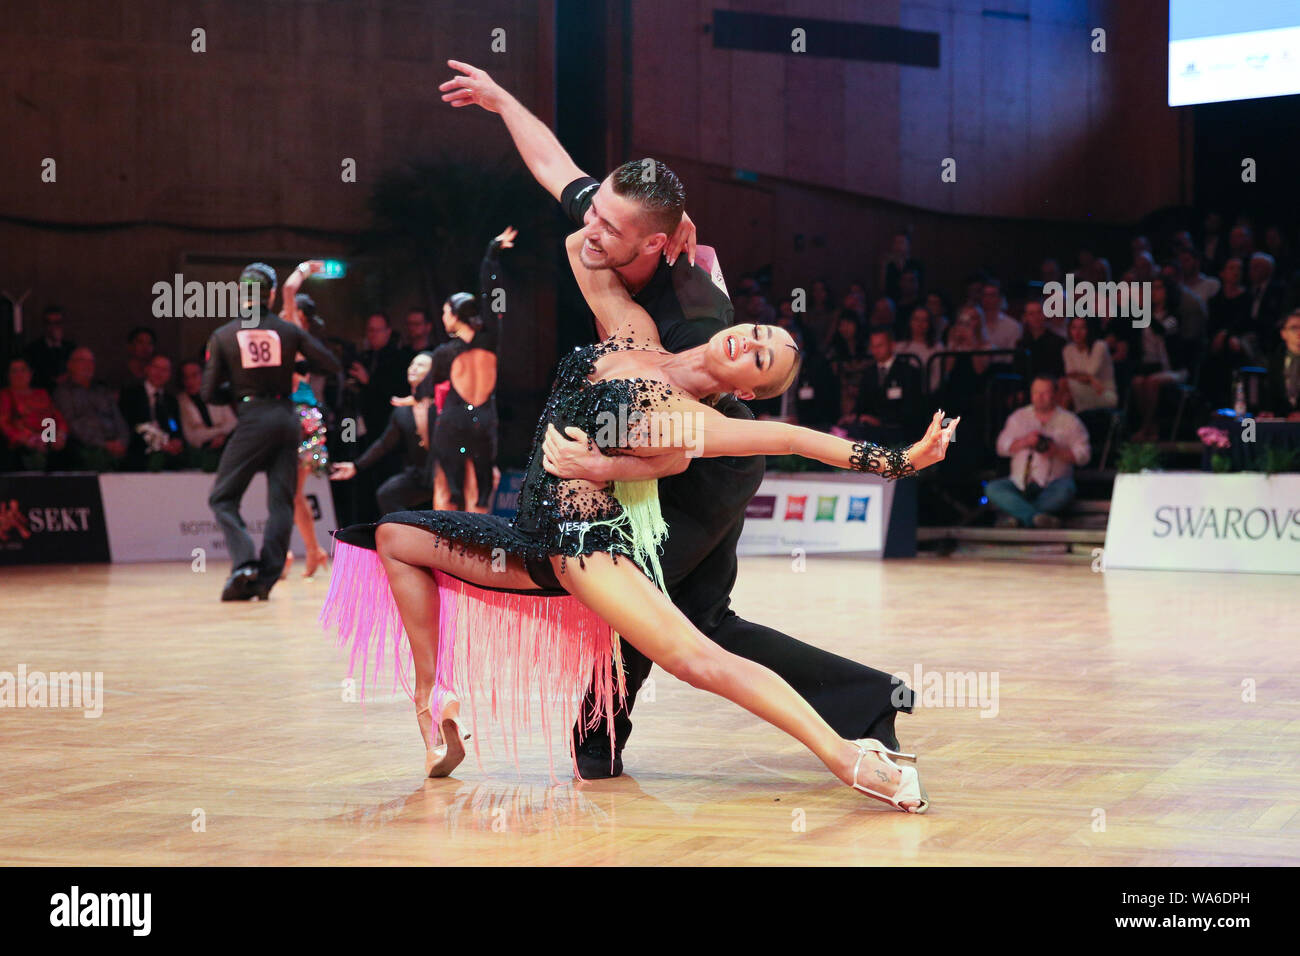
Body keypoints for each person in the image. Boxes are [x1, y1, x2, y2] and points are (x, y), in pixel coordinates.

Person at [321, 228, 961, 812]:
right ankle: (434, 707)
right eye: (761, 333)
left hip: (586, 548)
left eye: (763, 358)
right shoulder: (635, 333)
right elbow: (584, 251)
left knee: (696, 657)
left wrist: (904, 460)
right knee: (393, 536)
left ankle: (856, 761)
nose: (753, 341)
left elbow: (801, 439)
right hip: (528, 543)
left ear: (749, 388)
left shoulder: (697, 419)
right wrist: (639, 223)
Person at [439, 59, 923, 779]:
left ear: (657, 245)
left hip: (713, 456)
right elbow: (557, 169)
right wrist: (502, 99)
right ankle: (869, 699)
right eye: (593, 215)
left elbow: (676, 447)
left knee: (647, 586)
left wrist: (603, 465)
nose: (590, 228)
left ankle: (601, 733)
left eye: (608, 226)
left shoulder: (697, 312)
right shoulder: (617, 224)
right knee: (707, 618)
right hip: (663, 435)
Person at [201, 262, 340, 602]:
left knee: (222, 498)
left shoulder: (224, 335)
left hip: (252, 418)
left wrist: (236, 393)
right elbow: (330, 364)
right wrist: (298, 365)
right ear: (272, 294)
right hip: (286, 418)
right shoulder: (287, 332)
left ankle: (245, 563)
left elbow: (207, 393)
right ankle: (265, 578)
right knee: (281, 502)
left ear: (239, 293)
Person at [428, 227, 512, 513]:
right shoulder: (490, 337)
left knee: (448, 489)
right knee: (479, 492)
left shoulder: (444, 352)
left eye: (445, 312)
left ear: (455, 314)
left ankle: (443, 551)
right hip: (484, 422)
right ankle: (479, 549)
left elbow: (430, 390)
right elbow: (492, 295)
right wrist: (491, 257)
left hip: (452, 422)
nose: (442, 317)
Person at [331, 351, 438, 512]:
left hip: (445, 472)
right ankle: (407, 536)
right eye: (412, 364)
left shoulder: (442, 405)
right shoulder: (402, 412)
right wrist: (356, 466)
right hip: (420, 474)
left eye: (421, 365)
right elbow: (384, 444)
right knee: (386, 494)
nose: (413, 368)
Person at [280, 268, 333, 579]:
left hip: (296, 417)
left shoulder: (291, 331)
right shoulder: (304, 339)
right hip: (307, 418)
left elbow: (287, 290)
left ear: (297, 314)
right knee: (291, 491)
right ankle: (311, 550)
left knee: (286, 489)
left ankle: (288, 552)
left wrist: (304, 269)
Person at [987, 374, 1090, 529]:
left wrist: (1056, 451)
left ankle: (1020, 516)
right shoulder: (1018, 417)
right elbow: (1001, 447)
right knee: (993, 488)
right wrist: (1026, 441)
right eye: (1035, 392)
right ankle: (1036, 517)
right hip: (1019, 484)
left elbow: (1084, 456)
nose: (1039, 397)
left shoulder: (1070, 421)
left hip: (1054, 484)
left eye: (1045, 393)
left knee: (1066, 490)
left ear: (1055, 394)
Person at [53, 347, 129, 471]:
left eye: (91, 361)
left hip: (114, 444)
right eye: (82, 361)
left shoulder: (102, 391)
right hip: (87, 446)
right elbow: (71, 424)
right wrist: (103, 444)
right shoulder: (63, 392)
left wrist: (122, 441)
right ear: (70, 365)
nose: (88, 365)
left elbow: (119, 420)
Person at [119, 354, 185, 471]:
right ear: (147, 369)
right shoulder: (131, 394)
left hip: (167, 450)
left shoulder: (170, 400)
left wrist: (175, 439)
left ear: (169, 375)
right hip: (140, 448)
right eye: (156, 368)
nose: (159, 373)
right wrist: (159, 442)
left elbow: (173, 424)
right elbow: (135, 424)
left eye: (164, 370)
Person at [1, 357, 66, 470]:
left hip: (49, 439)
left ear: (30, 374)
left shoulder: (42, 394)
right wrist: (29, 439)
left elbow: (58, 419)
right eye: (14, 371)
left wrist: (60, 435)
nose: (19, 374)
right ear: (8, 375)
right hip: (24, 443)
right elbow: (4, 424)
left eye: (23, 370)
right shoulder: (5, 395)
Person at [177, 357, 236, 471]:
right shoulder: (181, 402)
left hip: (226, 449)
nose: (190, 381)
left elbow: (233, 423)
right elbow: (194, 437)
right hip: (199, 456)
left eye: (194, 376)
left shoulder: (216, 395)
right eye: (186, 377)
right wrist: (219, 431)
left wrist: (222, 437)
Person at [1259, 310, 1300, 421]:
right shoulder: (1274, 361)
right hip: (1282, 424)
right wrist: (1269, 412)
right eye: (1294, 328)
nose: (1299, 333)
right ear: (1283, 333)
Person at [23, 307, 76, 392]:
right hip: (45, 393)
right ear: (44, 326)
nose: (53, 327)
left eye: (57, 323)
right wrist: (53, 381)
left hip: (70, 393)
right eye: (49, 323)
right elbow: (31, 378)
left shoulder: (71, 348)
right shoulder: (33, 349)